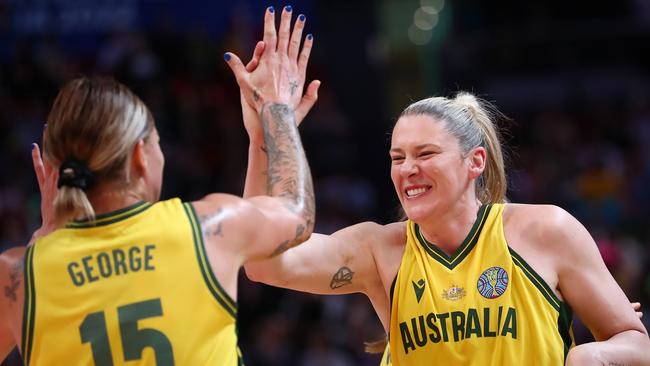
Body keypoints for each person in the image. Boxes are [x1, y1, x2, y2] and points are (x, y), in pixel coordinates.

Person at [0, 6, 318, 365]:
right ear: (140, 156)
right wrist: (276, 112)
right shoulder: (209, 227)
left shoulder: (17, 278)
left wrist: (41, 242)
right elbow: (296, 211)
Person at [241, 91, 650, 365]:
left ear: (475, 162)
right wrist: (266, 134)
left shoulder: (545, 230)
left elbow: (635, 342)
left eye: (425, 153)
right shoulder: (379, 250)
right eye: (397, 157)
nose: (408, 169)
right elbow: (262, 262)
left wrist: (593, 356)